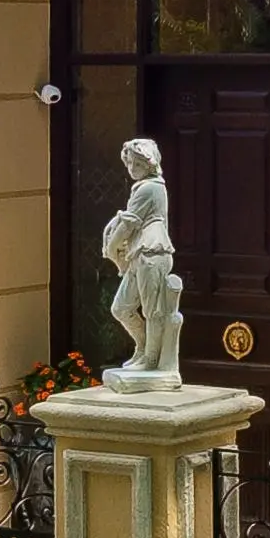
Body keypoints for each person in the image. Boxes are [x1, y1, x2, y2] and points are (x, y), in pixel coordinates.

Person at [103, 137, 184, 382]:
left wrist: (112, 246)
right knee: (121, 308)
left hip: (153, 253)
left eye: (136, 163)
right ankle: (143, 348)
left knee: (153, 311)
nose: (131, 168)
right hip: (140, 253)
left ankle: (151, 360)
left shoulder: (151, 188)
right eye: (129, 163)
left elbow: (130, 223)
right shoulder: (142, 187)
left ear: (149, 163)